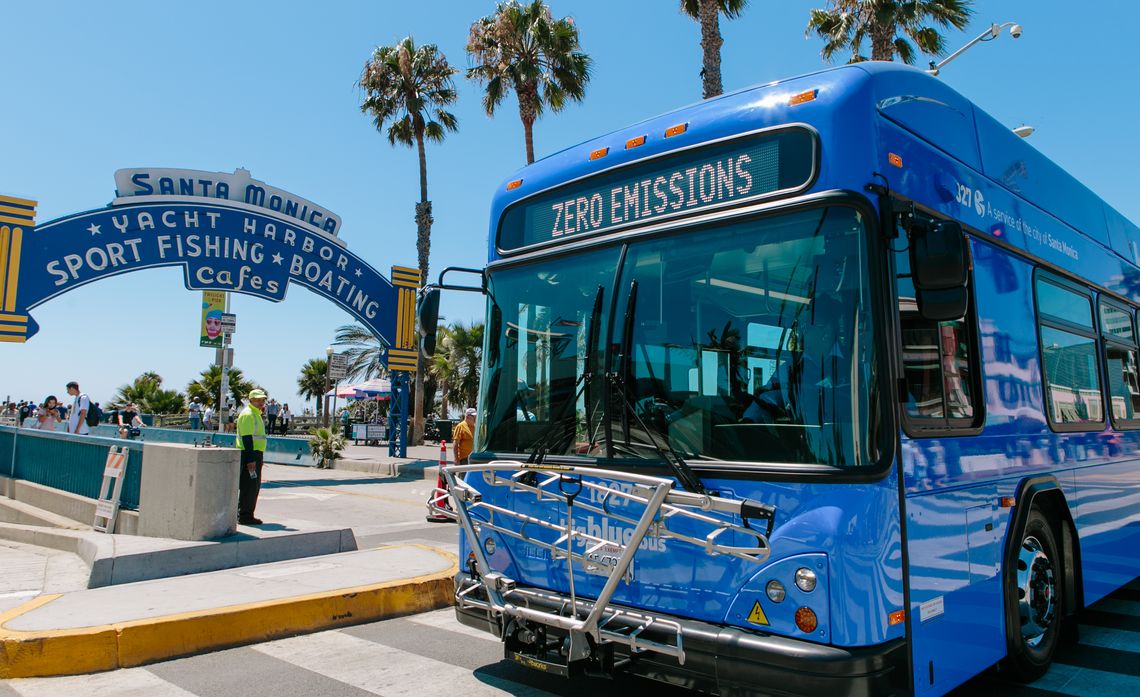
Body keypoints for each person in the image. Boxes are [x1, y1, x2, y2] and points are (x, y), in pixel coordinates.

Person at [236, 388, 269, 525]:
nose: (261, 402)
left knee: (252, 485)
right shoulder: (248, 414)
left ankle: (245, 513)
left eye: (262, 400)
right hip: (250, 453)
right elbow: (247, 438)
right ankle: (245, 515)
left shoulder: (256, 414)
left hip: (255, 453)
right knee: (249, 486)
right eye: (258, 400)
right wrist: (250, 459)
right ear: (251, 400)